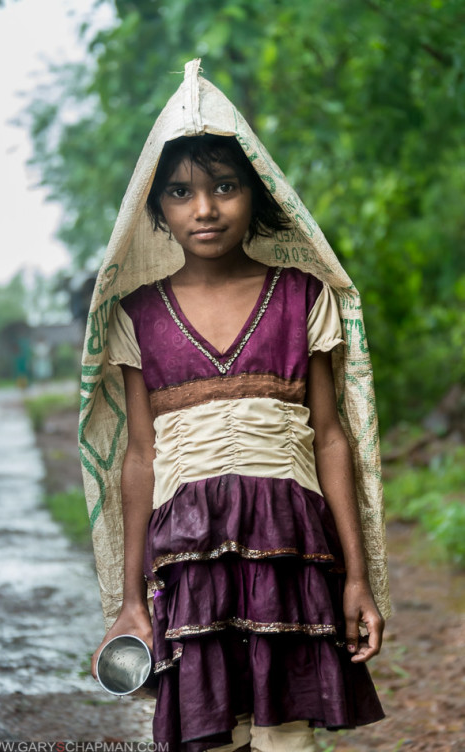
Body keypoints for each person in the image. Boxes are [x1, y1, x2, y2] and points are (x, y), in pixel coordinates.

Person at [81, 60, 389, 752]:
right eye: (182, 192)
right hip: (188, 558)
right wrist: (131, 600)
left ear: (258, 193)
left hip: (293, 549)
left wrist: (358, 577)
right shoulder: (138, 315)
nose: (206, 209)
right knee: (209, 729)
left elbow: (331, 438)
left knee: (287, 735)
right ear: (155, 207)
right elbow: (139, 456)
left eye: (225, 187)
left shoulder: (301, 296)